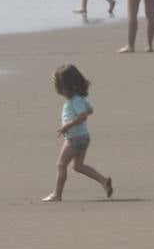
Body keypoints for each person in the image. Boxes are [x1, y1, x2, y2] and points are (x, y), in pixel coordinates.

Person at [42, 63, 113, 203]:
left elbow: (83, 116)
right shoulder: (79, 99)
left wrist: (66, 126)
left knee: (61, 165)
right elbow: (90, 110)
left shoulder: (75, 101)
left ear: (64, 87)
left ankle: (57, 194)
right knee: (78, 166)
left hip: (75, 139)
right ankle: (104, 181)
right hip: (83, 137)